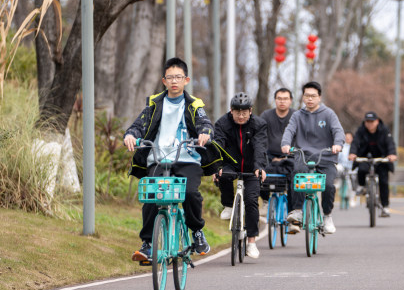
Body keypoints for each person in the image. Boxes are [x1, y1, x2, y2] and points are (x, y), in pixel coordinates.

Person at [123, 58, 217, 261]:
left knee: (190, 193)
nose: (174, 81)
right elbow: (138, 125)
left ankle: (197, 231)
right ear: (163, 81)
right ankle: (147, 244)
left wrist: (205, 133)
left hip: (187, 158)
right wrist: (130, 135)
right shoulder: (154, 103)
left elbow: (205, 123)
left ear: (186, 80)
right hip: (157, 158)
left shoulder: (194, 104)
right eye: (170, 77)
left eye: (178, 77)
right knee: (151, 195)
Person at [281, 81, 345, 234]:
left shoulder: (328, 114)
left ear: (319, 97)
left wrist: (338, 144)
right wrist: (285, 144)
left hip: (326, 156)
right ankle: (297, 210)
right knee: (298, 176)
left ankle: (327, 215)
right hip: (303, 155)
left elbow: (338, 131)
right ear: (303, 97)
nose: (310, 99)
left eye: (313, 96)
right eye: (307, 95)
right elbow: (289, 131)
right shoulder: (297, 115)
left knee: (328, 185)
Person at [213, 92, 267, 259]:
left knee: (251, 201)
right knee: (223, 176)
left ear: (250, 111)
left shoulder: (259, 124)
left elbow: (260, 147)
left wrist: (259, 167)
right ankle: (228, 205)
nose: (241, 116)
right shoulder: (222, 123)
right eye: (237, 112)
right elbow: (218, 145)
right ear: (231, 110)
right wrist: (217, 167)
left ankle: (251, 242)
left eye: (245, 112)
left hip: (252, 167)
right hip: (231, 164)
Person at [259, 88, 305, 233]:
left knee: (295, 177)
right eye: (279, 98)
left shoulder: (296, 116)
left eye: (285, 98)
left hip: (291, 156)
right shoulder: (266, 115)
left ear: (290, 100)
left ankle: (293, 215)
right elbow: (260, 136)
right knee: (258, 168)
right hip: (270, 155)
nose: (282, 101)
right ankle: (265, 201)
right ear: (275, 100)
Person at [349, 112, 398, 217]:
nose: (369, 124)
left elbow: (390, 143)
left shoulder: (384, 130)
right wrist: (352, 153)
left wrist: (392, 154)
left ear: (377, 121)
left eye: (372, 121)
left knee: (384, 181)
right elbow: (355, 142)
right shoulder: (361, 130)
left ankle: (385, 207)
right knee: (361, 170)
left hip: (382, 158)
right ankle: (362, 186)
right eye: (367, 121)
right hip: (365, 157)